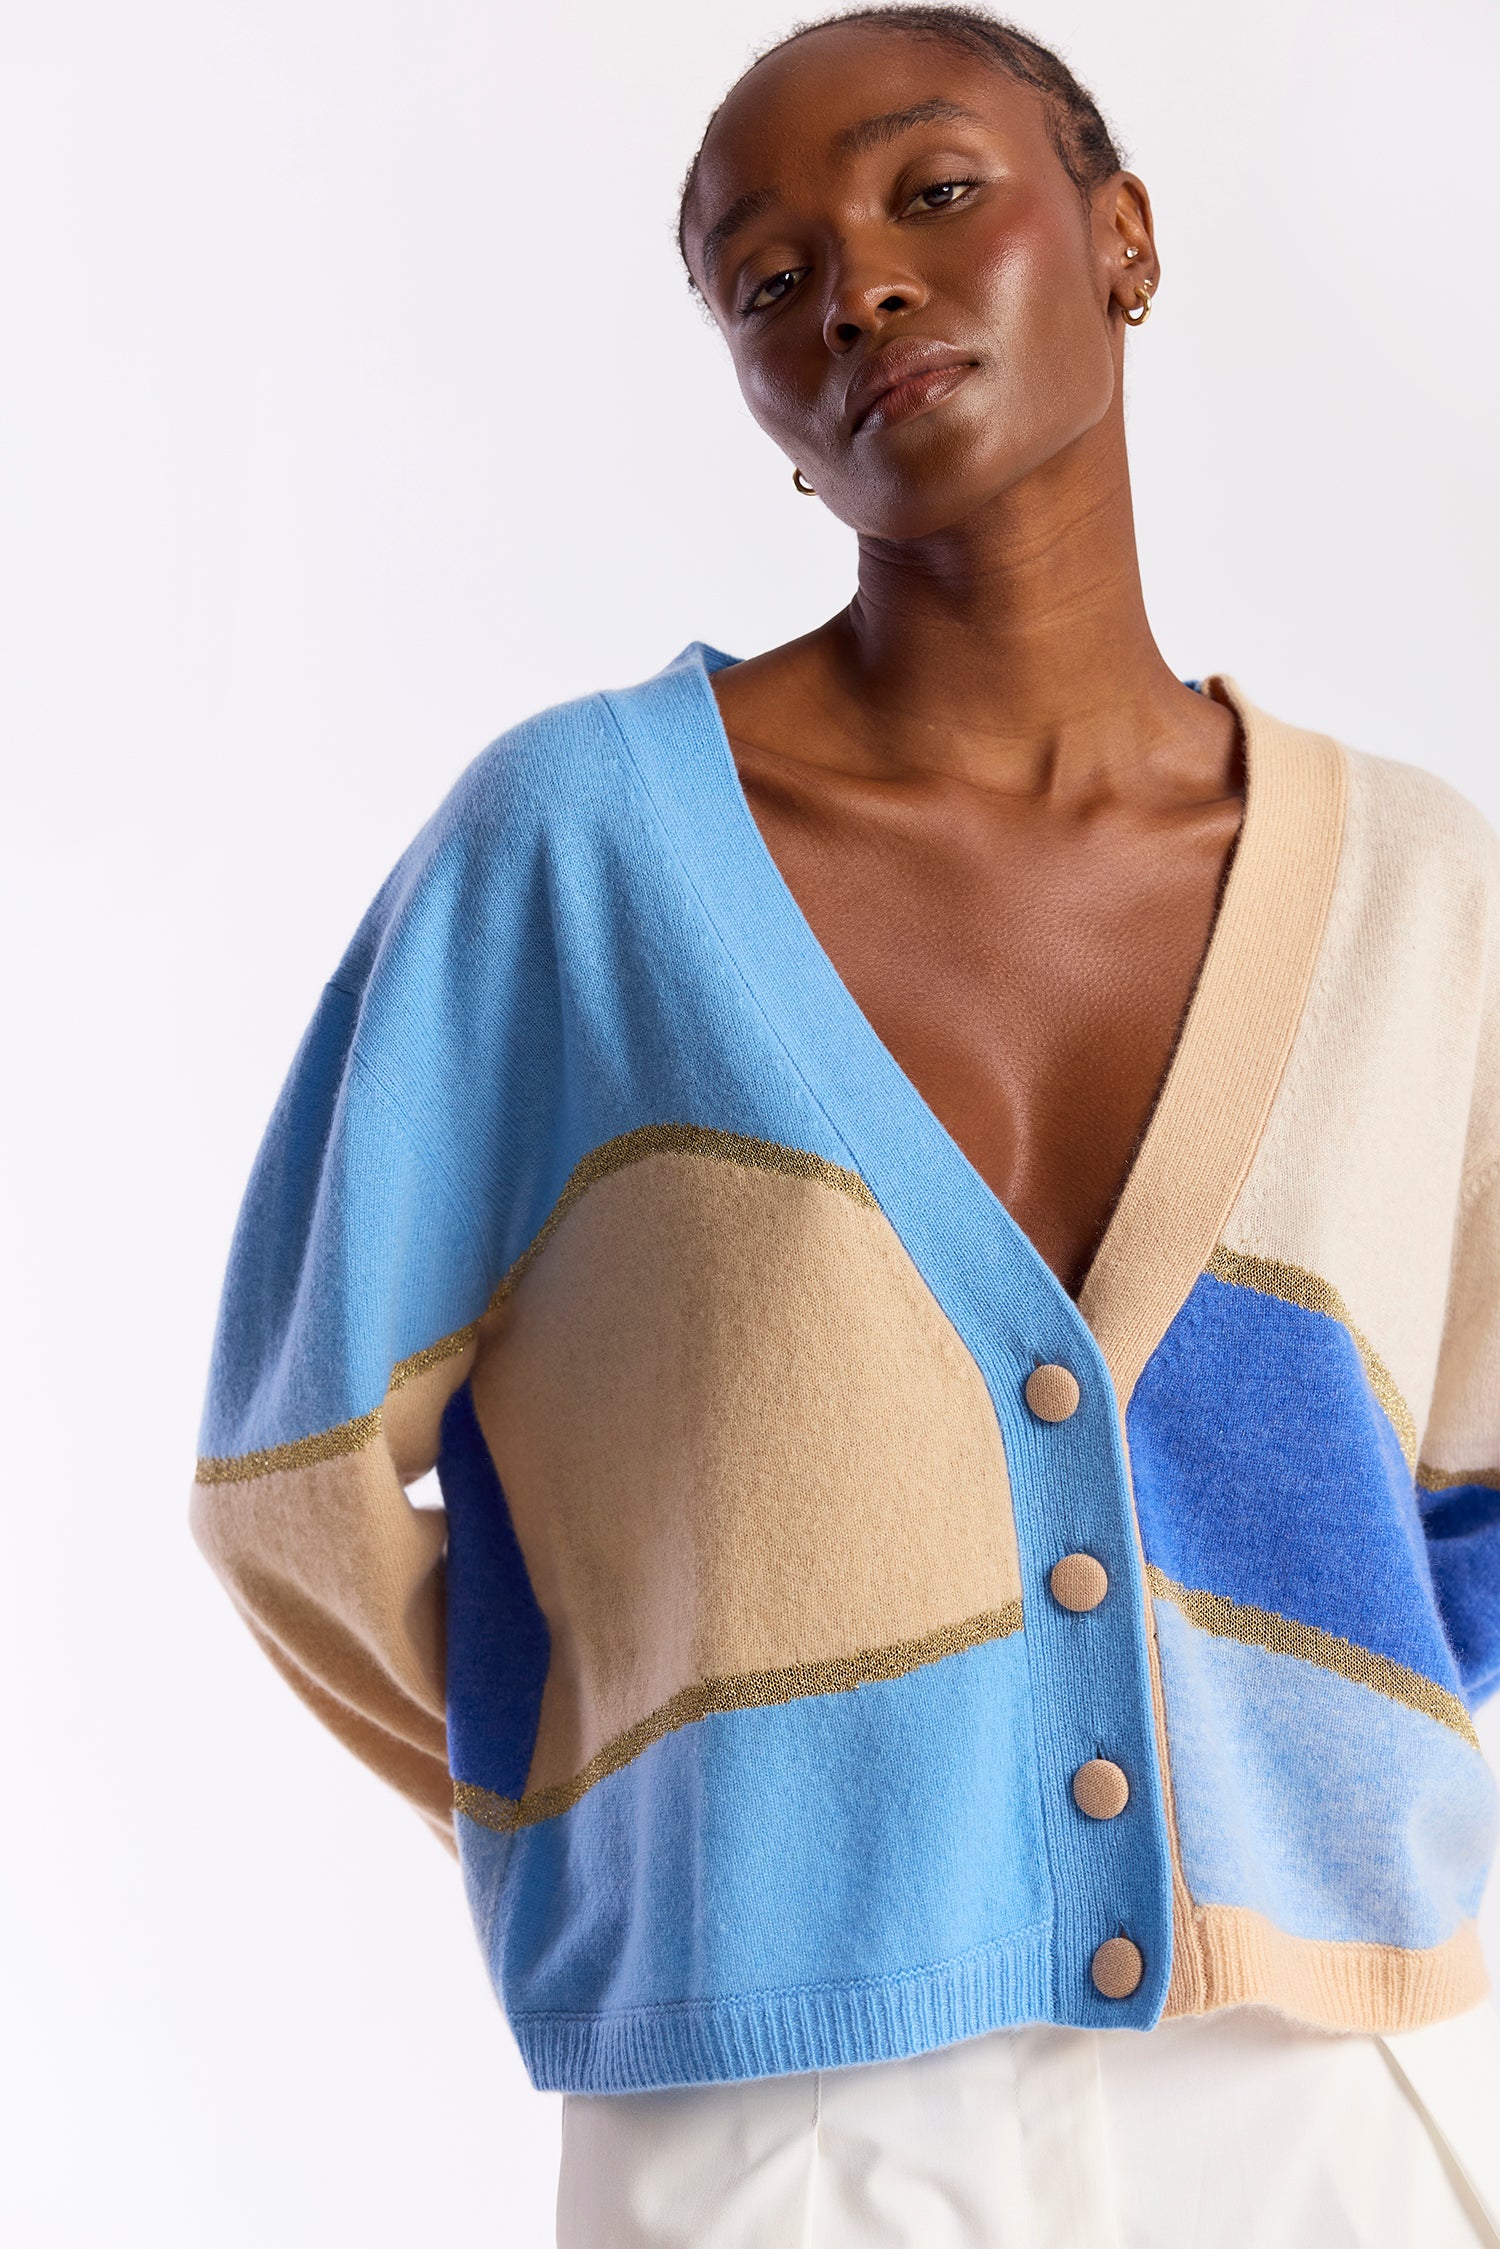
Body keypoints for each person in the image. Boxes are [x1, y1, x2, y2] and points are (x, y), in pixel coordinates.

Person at [192, 8, 1500, 2242]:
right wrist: (657, 1818)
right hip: (773, 2126)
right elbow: (289, 1486)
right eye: (768, 280)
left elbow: (1467, 1506)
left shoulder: (1420, 891)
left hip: (1320, 2098)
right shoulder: (575, 857)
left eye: (932, 194)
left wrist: (1304, 1770)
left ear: (1124, 236)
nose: (858, 290)